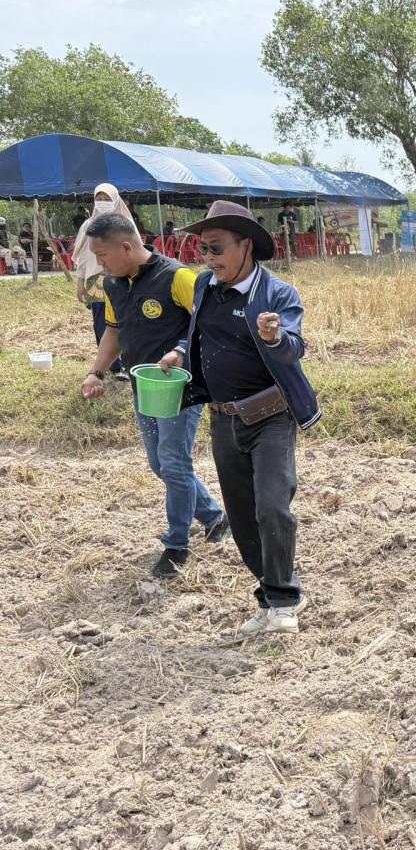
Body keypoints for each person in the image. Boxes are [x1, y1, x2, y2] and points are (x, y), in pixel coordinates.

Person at [158, 201, 321, 636]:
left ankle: (286, 599)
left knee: (272, 507)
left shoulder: (278, 294)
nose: (208, 259)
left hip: (270, 417)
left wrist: (274, 335)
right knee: (242, 515)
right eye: (202, 251)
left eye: (216, 249)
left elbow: (294, 346)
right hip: (223, 418)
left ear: (245, 245)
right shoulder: (204, 289)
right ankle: (268, 594)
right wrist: (178, 351)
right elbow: (196, 332)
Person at [80, 213, 228, 577]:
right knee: (160, 464)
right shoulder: (114, 284)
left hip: (180, 384)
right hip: (143, 384)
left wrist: (180, 349)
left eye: (102, 254)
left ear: (126, 246)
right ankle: (214, 516)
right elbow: (113, 333)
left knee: (175, 463)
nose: (99, 263)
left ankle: (177, 545)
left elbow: (211, 321)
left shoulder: (177, 277)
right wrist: (95, 371)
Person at [72, 184, 130, 379]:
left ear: (116, 200)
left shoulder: (125, 224)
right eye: (100, 199)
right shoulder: (89, 226)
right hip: (96, 280)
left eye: (108, 199)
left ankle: (130, 362)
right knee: (101, 322)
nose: (104, 203)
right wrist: (80, 282)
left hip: (122, 277)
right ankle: (112, 367)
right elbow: (83, 257)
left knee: (125, 320)